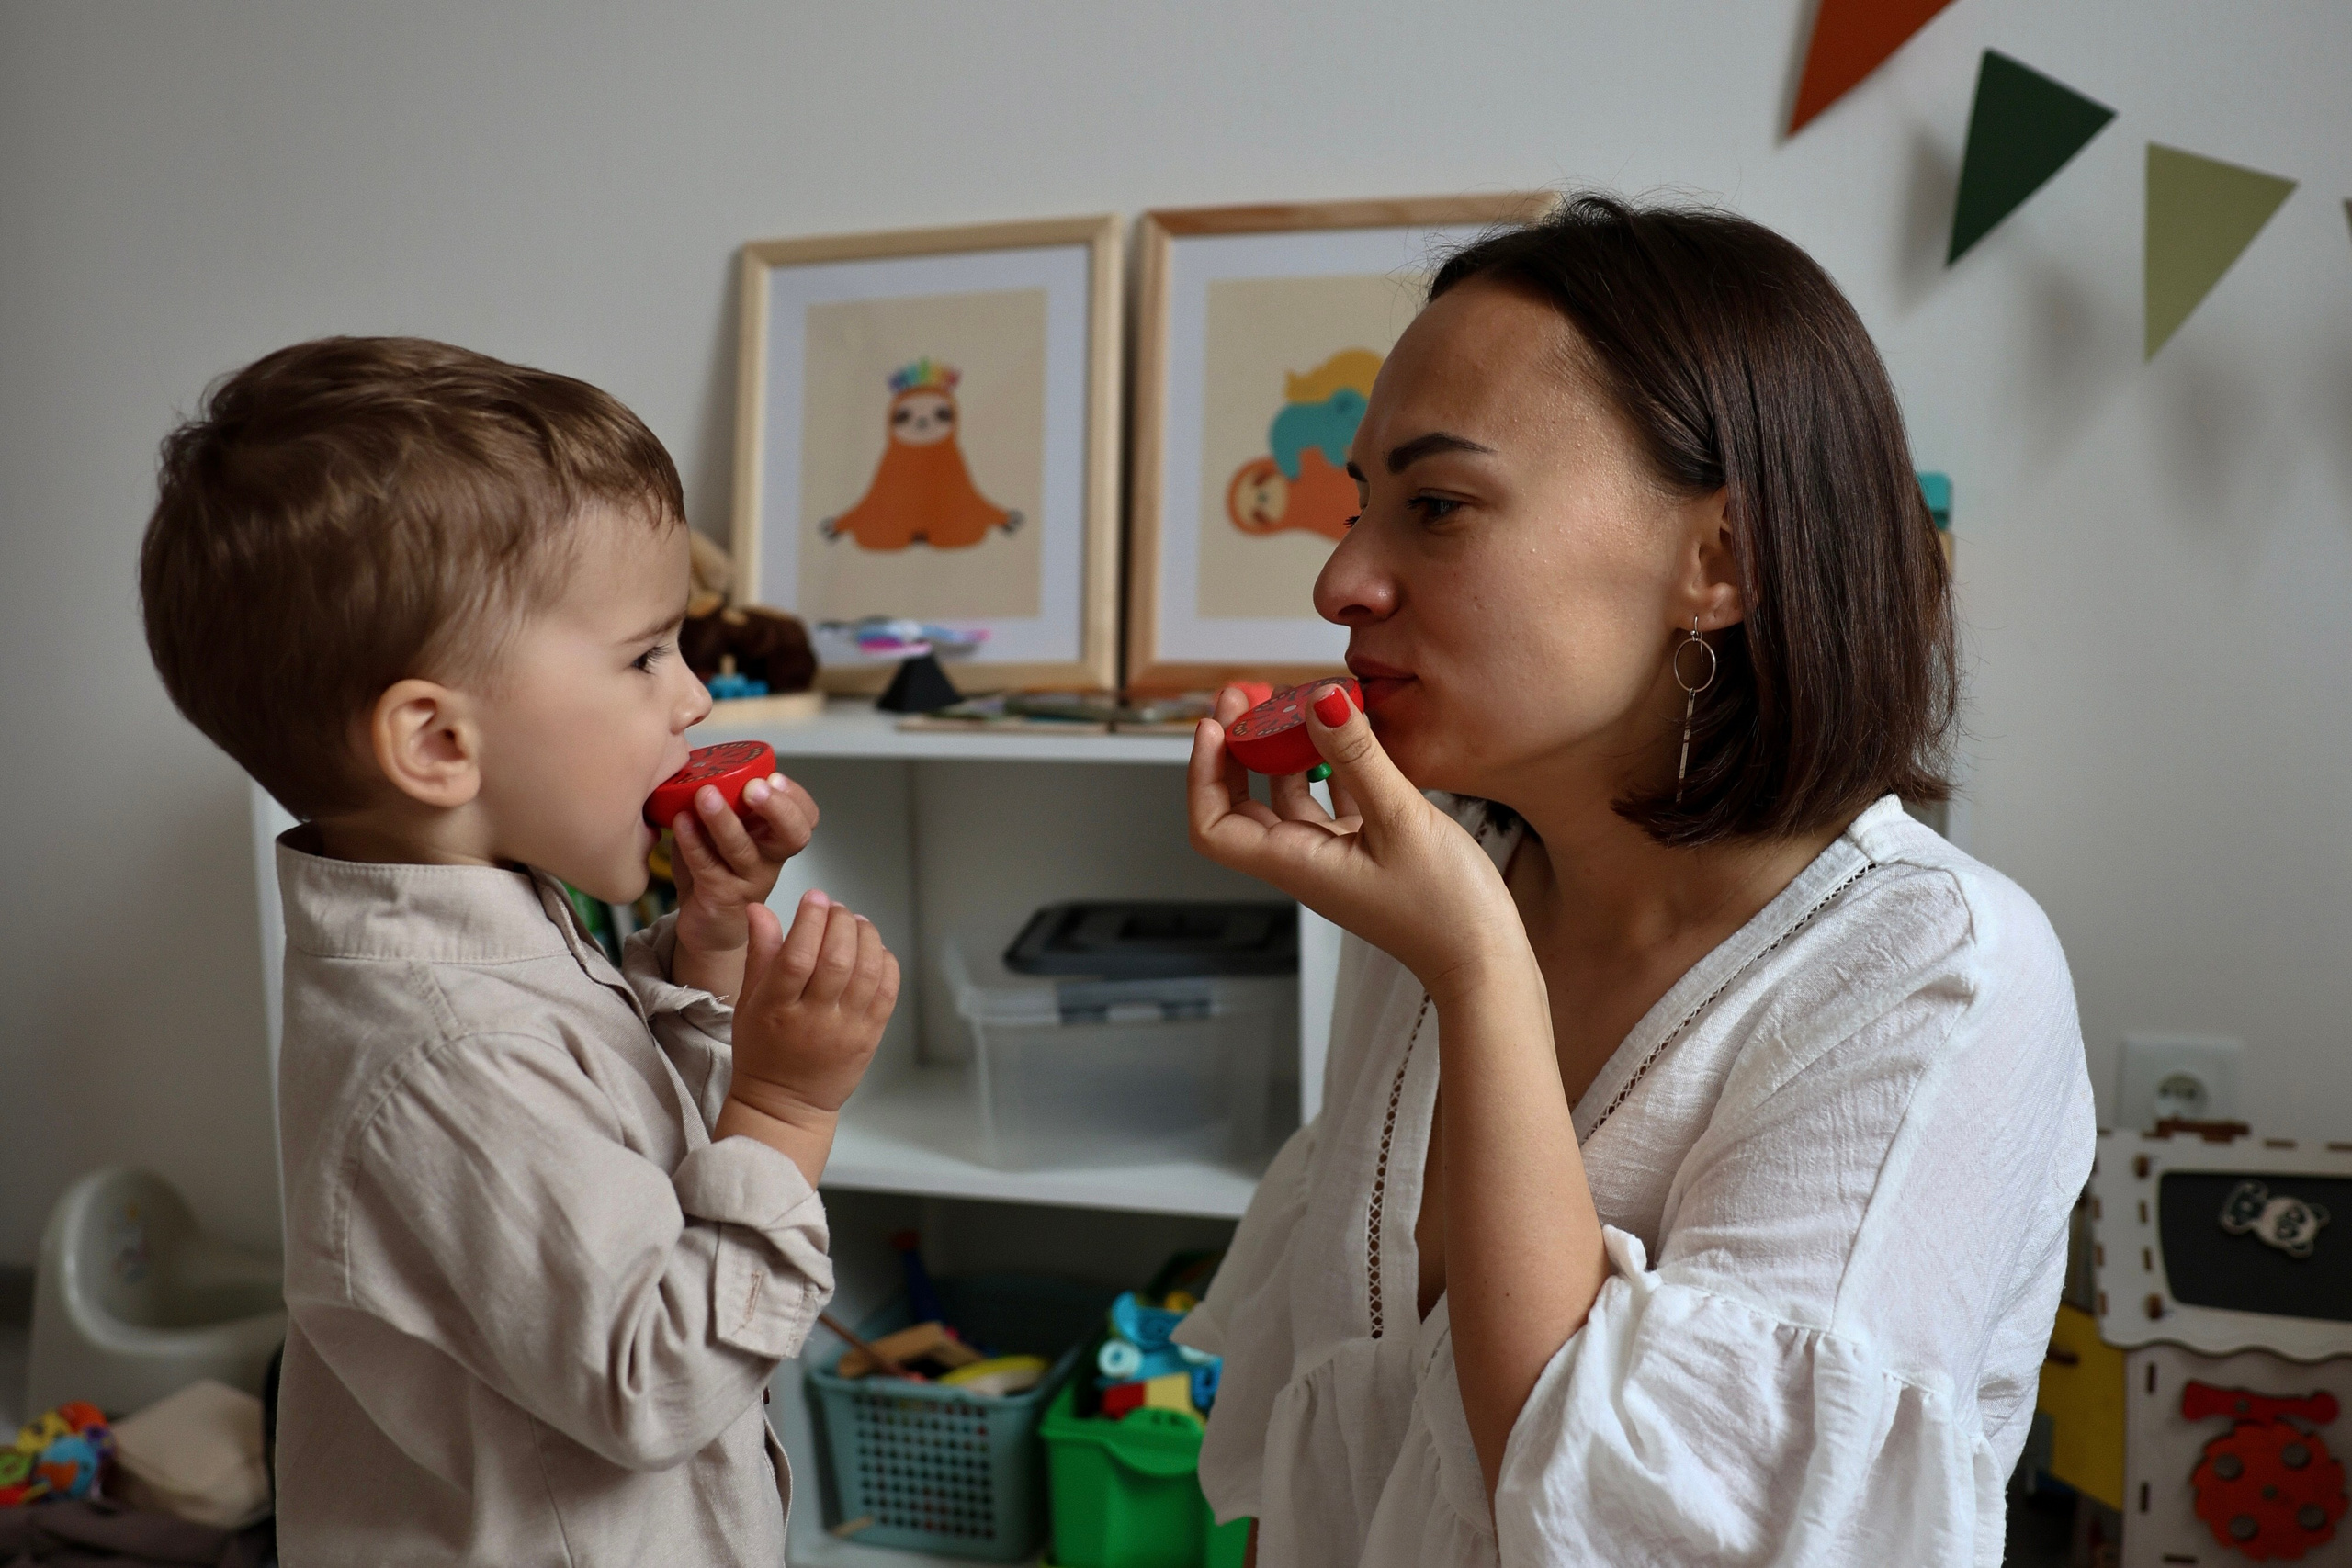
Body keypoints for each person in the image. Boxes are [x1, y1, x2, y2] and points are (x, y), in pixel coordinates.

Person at [1172, 196, 2095, 1566]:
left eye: (1437, 507)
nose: (1340, 580)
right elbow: (1330, 1445)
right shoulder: (1440, 878)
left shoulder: (1942, 973)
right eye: (1361, 507)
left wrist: (1481, 973)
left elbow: (1636, 1529)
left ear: (1720, 561)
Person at [139, 337, 899, 1565]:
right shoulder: (450, 1052)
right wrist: (785, 1108)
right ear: (440, 746)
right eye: (646, 655)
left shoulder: (492, 925)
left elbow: (632, 1167)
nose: (695, 699)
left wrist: (708, 951)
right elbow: (656, 1377)